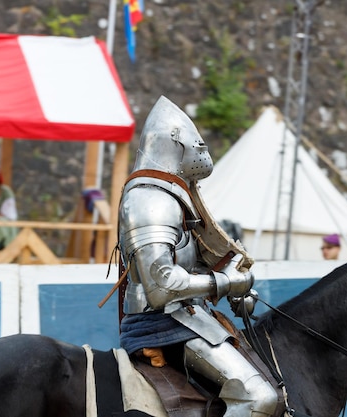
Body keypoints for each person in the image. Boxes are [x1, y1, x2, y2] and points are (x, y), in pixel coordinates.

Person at [117, 96, 278, 417]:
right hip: (160, 322)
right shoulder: (151, 201)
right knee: (257, 399)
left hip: (187, 315)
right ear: (175, 145)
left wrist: (236, 287)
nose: (204, 155)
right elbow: (161, 286)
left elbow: (191, 260)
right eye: (199, 146)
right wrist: (225, 283)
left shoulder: (171, 196)